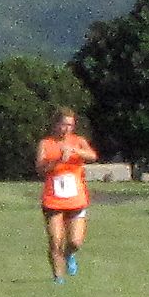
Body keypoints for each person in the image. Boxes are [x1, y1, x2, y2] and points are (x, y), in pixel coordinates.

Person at [35, 106, 98, 284]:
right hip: (53, 199)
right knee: (56, 241)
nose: (67, 128)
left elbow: (92, 155)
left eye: (70, 125)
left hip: (76, 198)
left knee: (75, 241)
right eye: (63, 124)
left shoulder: (78, 141)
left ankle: (69, 255)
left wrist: (76, 152)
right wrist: (57, 160)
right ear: (56, 124)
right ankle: (58, 278)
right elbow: (40, 169)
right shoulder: (45, 144)